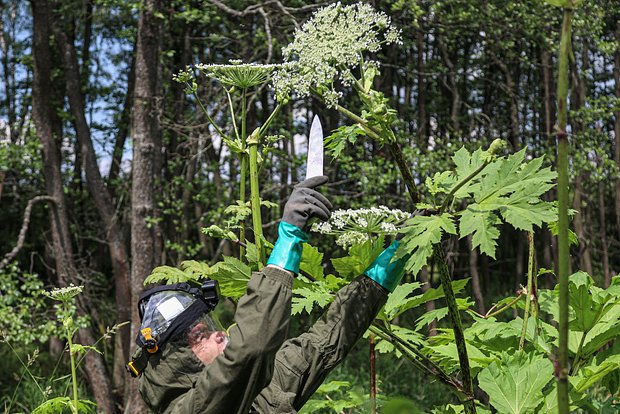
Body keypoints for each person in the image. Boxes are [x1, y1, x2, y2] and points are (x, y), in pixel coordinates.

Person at [130, 176, 409, 413]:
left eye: (210, 326)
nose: (218, 334)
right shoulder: (192, 409)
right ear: (177, 360)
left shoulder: (261, 386)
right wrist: (288, 240)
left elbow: (326, 340)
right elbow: (249, 349)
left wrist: (398, 254)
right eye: (200, 336)